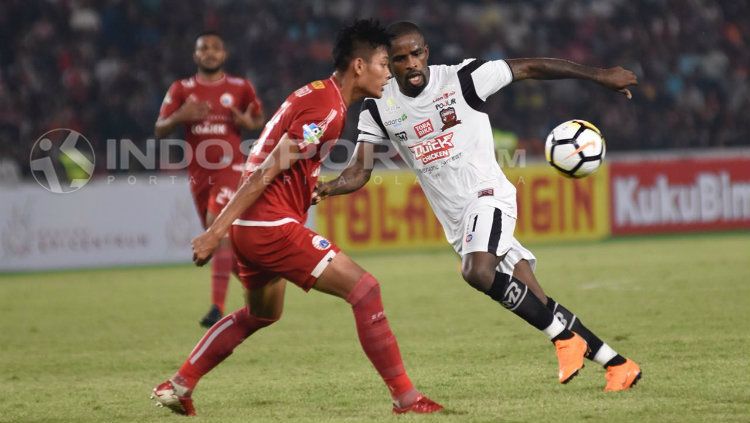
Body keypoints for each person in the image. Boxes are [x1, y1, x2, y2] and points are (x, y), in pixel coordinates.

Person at [314, 21, 642, 392]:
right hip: (457, 221)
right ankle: (618, 365)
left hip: (488, 197)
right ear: (389, 62)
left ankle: (564, 340)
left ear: (428, 52)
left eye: (417, 53)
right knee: (535, 300)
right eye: (400, 58)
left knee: (476, 271)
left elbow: (530, 67)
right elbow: (359, 171)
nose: (412, 64)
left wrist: (600, 75)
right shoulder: (378, 106)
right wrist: (324, 188)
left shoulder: (462, 79)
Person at [151, 20, 443, 416]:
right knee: (365, 290)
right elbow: (266, 170)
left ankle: (179, 384)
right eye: (382, 64)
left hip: (254, 228)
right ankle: (406, 398)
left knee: (261, 313)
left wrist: (309, 186)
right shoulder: (327, 108)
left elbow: (283, 160)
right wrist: (213, 232)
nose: (389, 72)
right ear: (359, 66)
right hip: (270, 227)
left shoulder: (320, 95)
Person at [155, 31, 265, 328]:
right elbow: (159, 129)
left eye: (216, 48)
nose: (210, 53)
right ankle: (261, 290)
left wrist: (248, 123)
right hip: (199, 174)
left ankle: (217, 307)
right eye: (204, 48)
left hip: (232, 169)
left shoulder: (241, 87)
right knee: (219, 244)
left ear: (224, 54)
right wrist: (181, 116)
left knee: (219, 230)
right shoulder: (181, 89)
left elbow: (261, 121)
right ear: (196, 55)